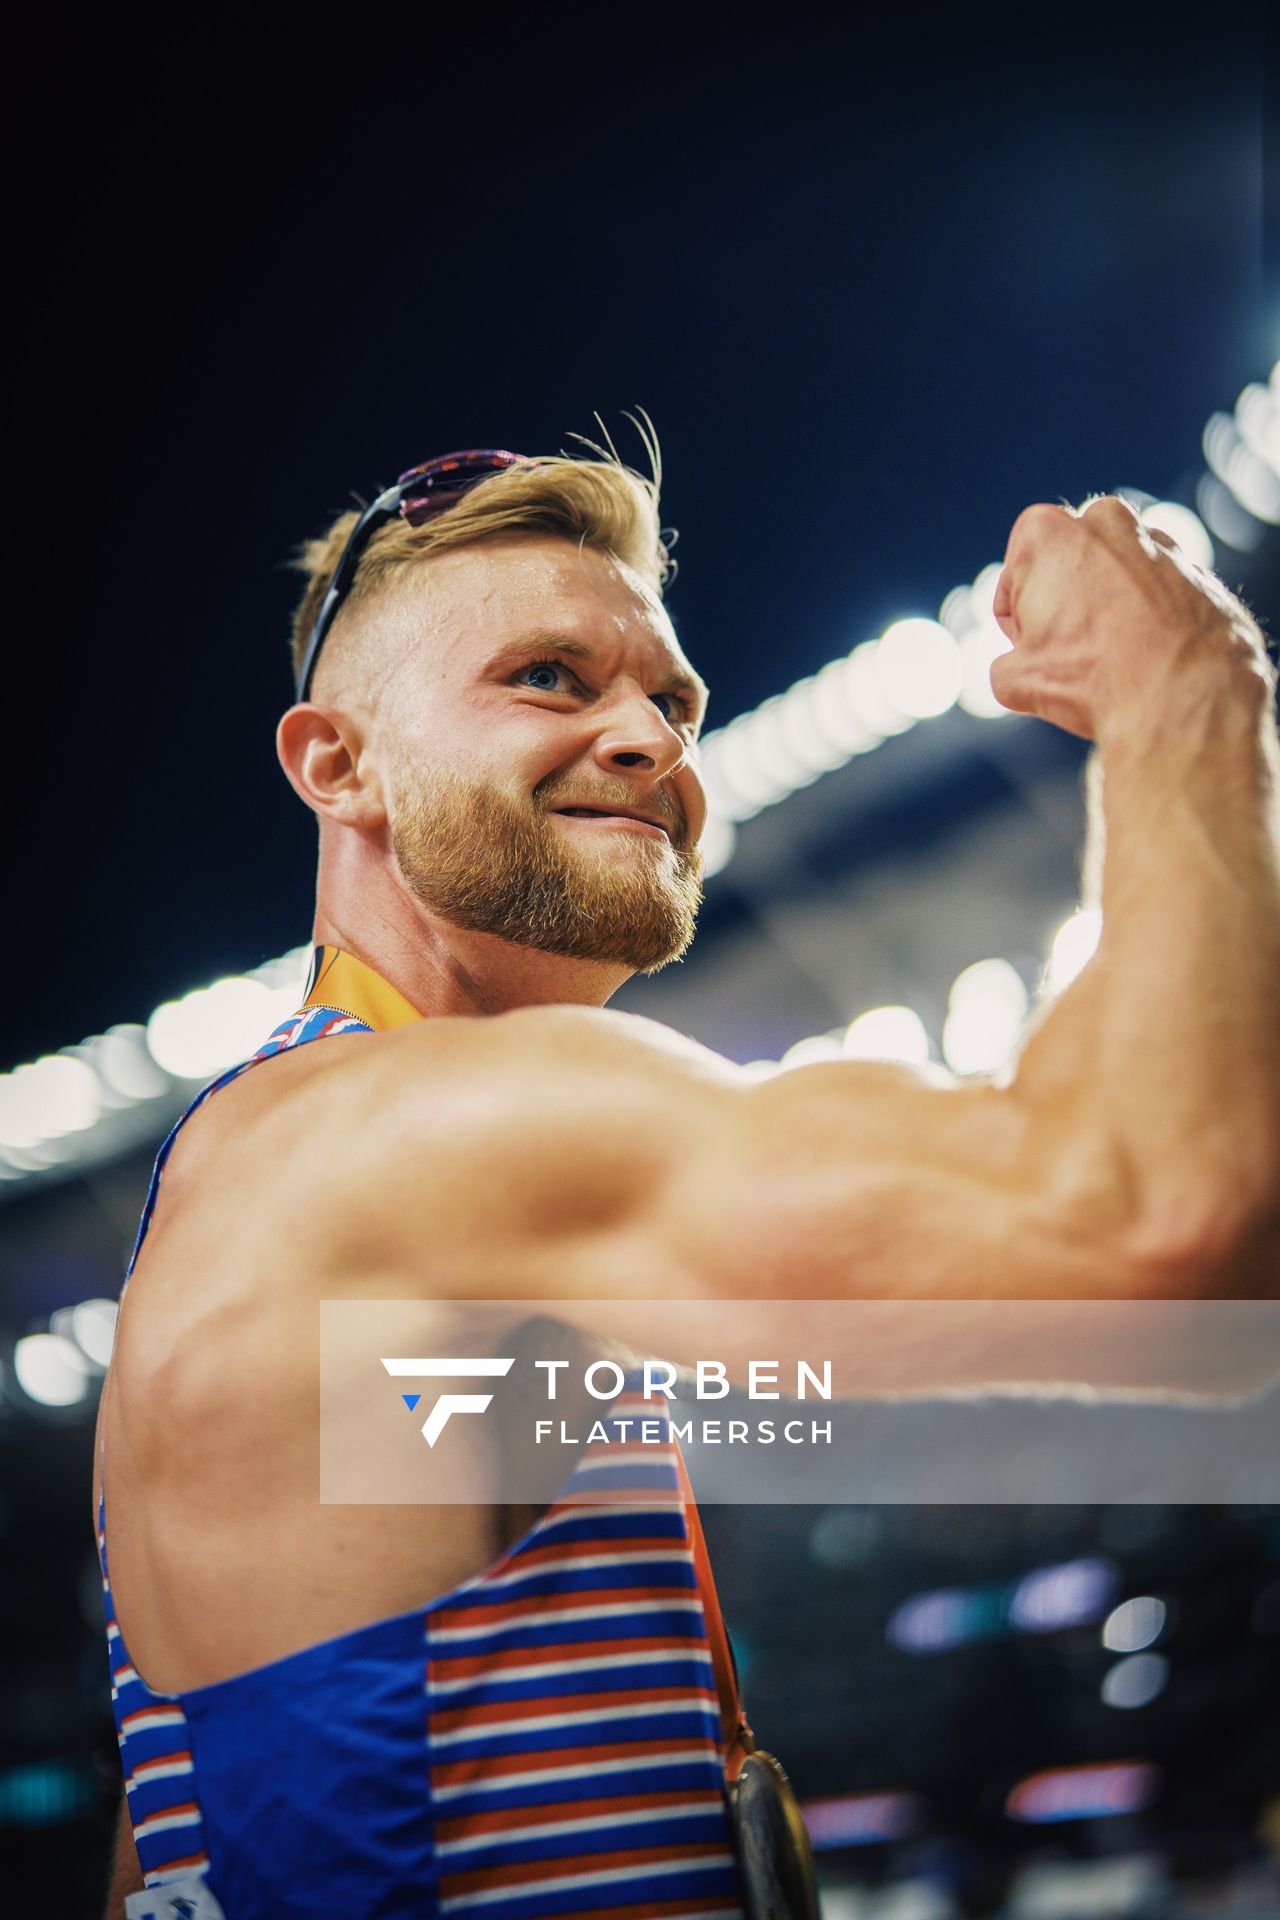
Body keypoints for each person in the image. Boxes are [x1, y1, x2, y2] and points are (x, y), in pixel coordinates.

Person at [93, 435, 1280, 1918]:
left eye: (673, 698)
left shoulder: (255, 1185)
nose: (651, 738)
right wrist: (1194, 693)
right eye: (548, 678)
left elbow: (165, 1855)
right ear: (341, 765)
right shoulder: (425, 1127)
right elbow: (1164, 1225)